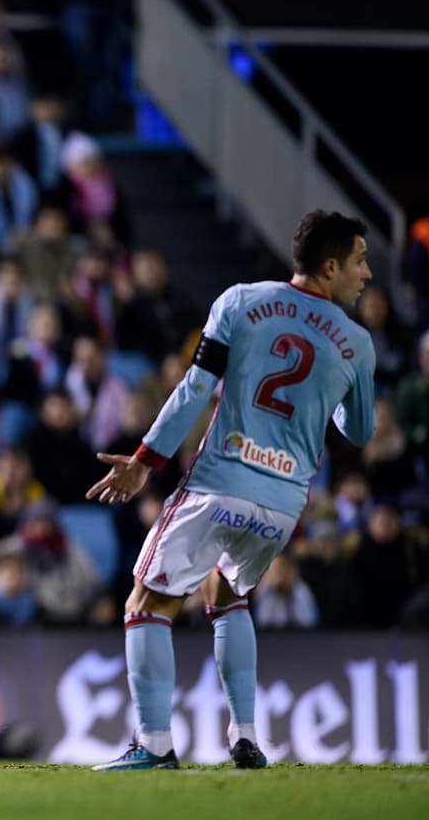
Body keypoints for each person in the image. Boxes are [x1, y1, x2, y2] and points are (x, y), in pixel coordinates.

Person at [85, 211, 375, 770]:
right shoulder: (357, 343)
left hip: (221, 482)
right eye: (361, 261)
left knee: (146, 603)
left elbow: (196, 389)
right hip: (285, 502)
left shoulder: (240, 302)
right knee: (227, 594)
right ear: (331, 265)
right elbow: (358, 431)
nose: (367, 275)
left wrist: (145, 461)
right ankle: (245, 735)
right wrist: (327, 392)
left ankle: (155, 744)